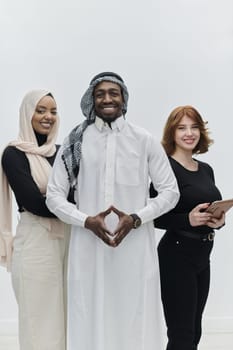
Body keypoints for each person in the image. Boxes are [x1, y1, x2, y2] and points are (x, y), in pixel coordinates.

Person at [46, 71, 180, 350]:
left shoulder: (144, 140)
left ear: (124, 99)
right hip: (88, 247)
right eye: (100, 94)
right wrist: (85, 221)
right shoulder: (76, 140)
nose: (107, 99)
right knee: (88, 316)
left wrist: (135, 218)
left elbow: (170, 191)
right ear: (92, 100)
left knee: (135, 316)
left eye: (113, 93)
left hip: (135, 248)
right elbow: (53, 196)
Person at [150, 105, 225, 350]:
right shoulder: (165, 168)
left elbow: (208, 208)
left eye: (194, 127)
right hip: (176, 254)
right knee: (182, 333)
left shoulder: (206, 169)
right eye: (181, 128)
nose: (189, 133)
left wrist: (218, 220)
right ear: (172, 133)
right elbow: (152, 215)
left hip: (203, 254)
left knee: (195, 330)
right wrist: (186, 220)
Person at [0, 90, 70, 350]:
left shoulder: (62, 152)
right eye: (40, 110)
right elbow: (34, 203)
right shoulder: (14, 154)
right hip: (35, 242)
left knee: (67, 316)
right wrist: (76, 210)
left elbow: (79, 194)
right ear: (27, 113)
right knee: (39, 321)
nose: (48, 116)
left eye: (53, 111)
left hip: (68, 240)